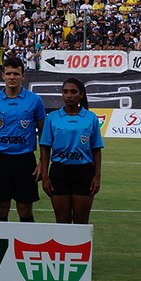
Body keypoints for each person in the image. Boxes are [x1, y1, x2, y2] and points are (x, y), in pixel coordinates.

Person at [0, 57, 46, 222]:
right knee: (0, 209)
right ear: (3, 75)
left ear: (23, 76)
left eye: (16, 73)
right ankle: (1, 245)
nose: (12, 77)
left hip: (25, 160)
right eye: (8, 73)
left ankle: (27, 246)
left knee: (24, 209)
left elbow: (43, 132)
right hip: (0, 160)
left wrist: (42, 162)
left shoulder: (35, 100)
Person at [40, 78, 103, 224]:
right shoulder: (53, 117)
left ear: (81, 94)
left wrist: (97, 176)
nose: (69, 95)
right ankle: (63, 248)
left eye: (73, 92)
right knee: (62, 221)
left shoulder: (90, 117)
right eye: (65, 92)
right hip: (59, 173)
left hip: (84, 172)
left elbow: (96, 149)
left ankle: (78, 248)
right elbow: (45, 148)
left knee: (81, 221)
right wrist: (45, 176)